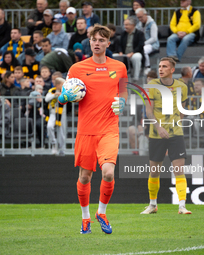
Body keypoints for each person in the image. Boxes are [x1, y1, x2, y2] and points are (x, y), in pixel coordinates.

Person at [58, 24, 128, 234]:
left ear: (108, 43)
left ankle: (102, 212)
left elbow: (123, 94)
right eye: (94, 40)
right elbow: (65, 95)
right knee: (85, 177)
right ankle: (85, 217)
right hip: (86, 130)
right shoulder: (77, 68)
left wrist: (122, 103)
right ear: (89, 42)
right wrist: (63, 97)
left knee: (108, 173)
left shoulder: (120, 67)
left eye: (101, 40)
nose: (97, 43)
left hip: (109, 128)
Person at [140, 57, 191, 215]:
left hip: (176, 135)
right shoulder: (152, 86)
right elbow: (149, 111)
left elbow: (182, 110)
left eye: (164, 66)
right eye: (159, 66)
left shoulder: (181, 87)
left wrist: (177, 126)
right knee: (154, 171)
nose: (161, 69)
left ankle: (182, 206)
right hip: (156, 135)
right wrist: (158, 127)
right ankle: (153, 205)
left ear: (172, 70)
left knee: (179, 170)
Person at [119, 16, 145, 82]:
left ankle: (136, 77)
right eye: (124, 25)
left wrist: (132, 53)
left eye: (127, 25)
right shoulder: (123, 34)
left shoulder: (140, 34)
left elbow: (140, 45)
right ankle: (117, 77)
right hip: (124, 54)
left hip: (135, 53)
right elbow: (119, 44)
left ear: (132, 25)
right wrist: (120, 52)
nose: (125, 26)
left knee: (137, 57)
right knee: (114, 56)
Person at [45, 77, 66, 156]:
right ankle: (54, 144)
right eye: (62, 84)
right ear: (58, 85)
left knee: (61, 132)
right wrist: (54, 95)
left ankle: (62, 149)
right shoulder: (51, 91)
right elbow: (46, 99)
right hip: (52, 112)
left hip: (61, 113)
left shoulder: (65, 92)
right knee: (49, 126)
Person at [136, 8, 159, 75]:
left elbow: (154, 38)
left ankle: (147, 66)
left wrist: (143, 43)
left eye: (141, 17)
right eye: (138, 17)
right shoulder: (138, 25)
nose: (140, 19)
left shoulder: (152, 24)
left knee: (144, 50)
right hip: (142, 43)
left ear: (145, 14)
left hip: (152, 44)